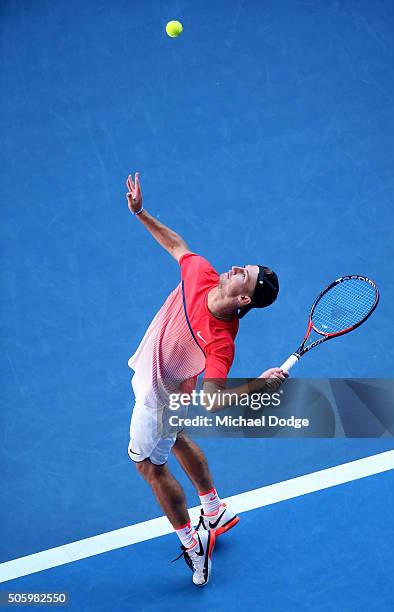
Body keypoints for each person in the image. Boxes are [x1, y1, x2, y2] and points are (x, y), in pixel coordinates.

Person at [125, 173, 288, 587]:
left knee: (148, 465)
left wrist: (260, 385)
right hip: (165, 381)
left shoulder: (221, 343)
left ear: (244, 298)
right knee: (175, 437)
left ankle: (192, 546)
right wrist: (142, 212)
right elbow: (176, 245)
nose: (234, 267)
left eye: (243, 275)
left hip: (160, 394)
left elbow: (213, 401)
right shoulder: (201, 273)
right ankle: (213, 509)